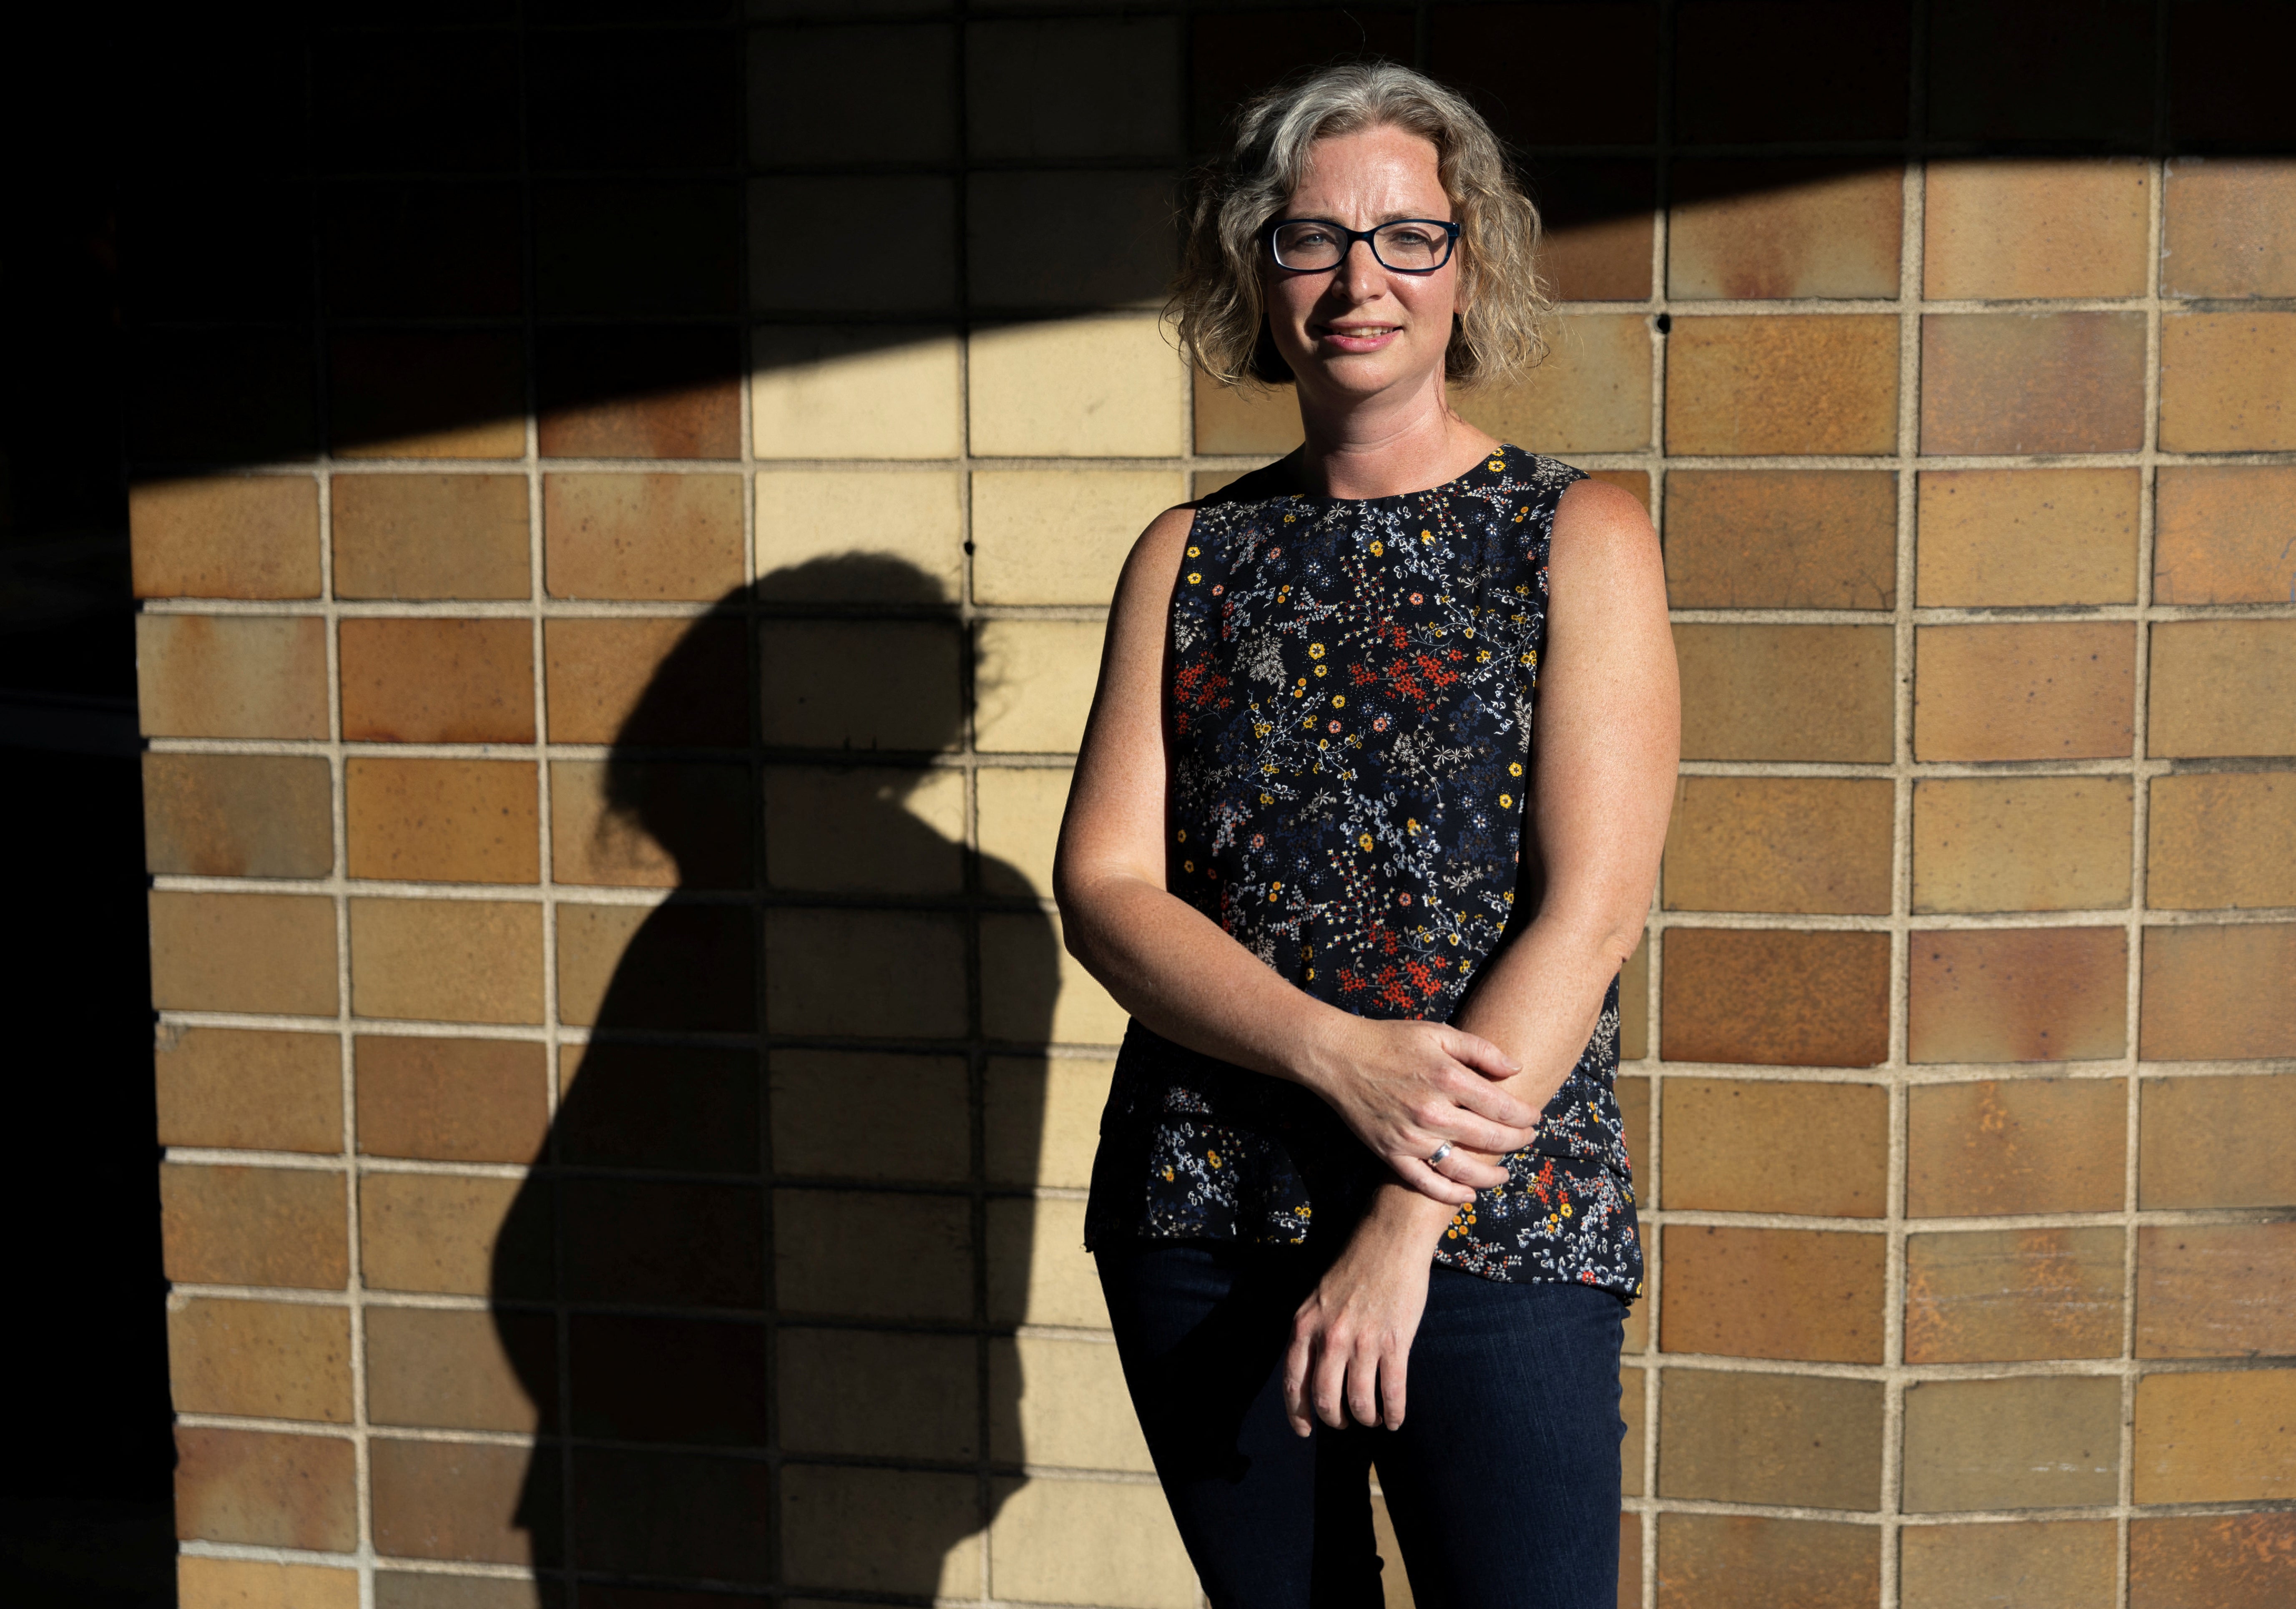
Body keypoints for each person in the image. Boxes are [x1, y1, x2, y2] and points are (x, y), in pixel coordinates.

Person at [1053, 62, 1678, 1609]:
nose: (1358, 279)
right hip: (1202, 1205)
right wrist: (1337, 1051)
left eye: (1407, 236)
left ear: (1468, 267)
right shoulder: (1189, 553)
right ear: (1253, 268)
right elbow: (1105, 887)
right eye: (1310, 236)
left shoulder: (1575, 531)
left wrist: (1407, 1220)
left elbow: (1591, 909)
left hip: (1489, 1226)